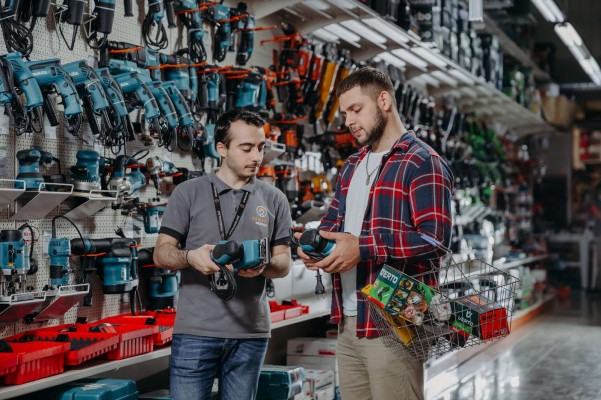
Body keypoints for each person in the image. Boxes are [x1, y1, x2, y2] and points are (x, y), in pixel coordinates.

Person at [296, 67, 454, 400]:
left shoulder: (422, 162)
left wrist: (364, 248)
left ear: (383, 100)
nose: (350, 121)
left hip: (395, 322)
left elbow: (435, 240)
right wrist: (315, 247)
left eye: (356, 109)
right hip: (348, 321)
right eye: (344, 114)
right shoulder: (352, 165)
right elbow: (333, 226)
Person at [154, 109, 292, 400]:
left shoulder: (274, 198)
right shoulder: (188, 192)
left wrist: (263, 266)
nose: (256, 156)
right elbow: (162, 254)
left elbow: (283, 263)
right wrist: (191, 257)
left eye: (260, 148)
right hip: (195, 332)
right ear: (221, 148)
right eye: (246, 148)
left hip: (250, 334)